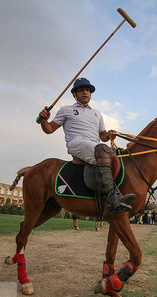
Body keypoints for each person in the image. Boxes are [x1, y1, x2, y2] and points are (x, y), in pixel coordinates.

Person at [38, 78, 135, 215]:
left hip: (95, 146)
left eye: (87, 90)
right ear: (74, 94)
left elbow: (102, 136)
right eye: (81, 90)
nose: (85, 92)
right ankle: (113, 198)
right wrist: (44, 120)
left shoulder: (97, 113)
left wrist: (108, 135)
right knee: (101, 149)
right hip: (76, 143)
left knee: (117, 154)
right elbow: (49, 129)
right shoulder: (66, 110)